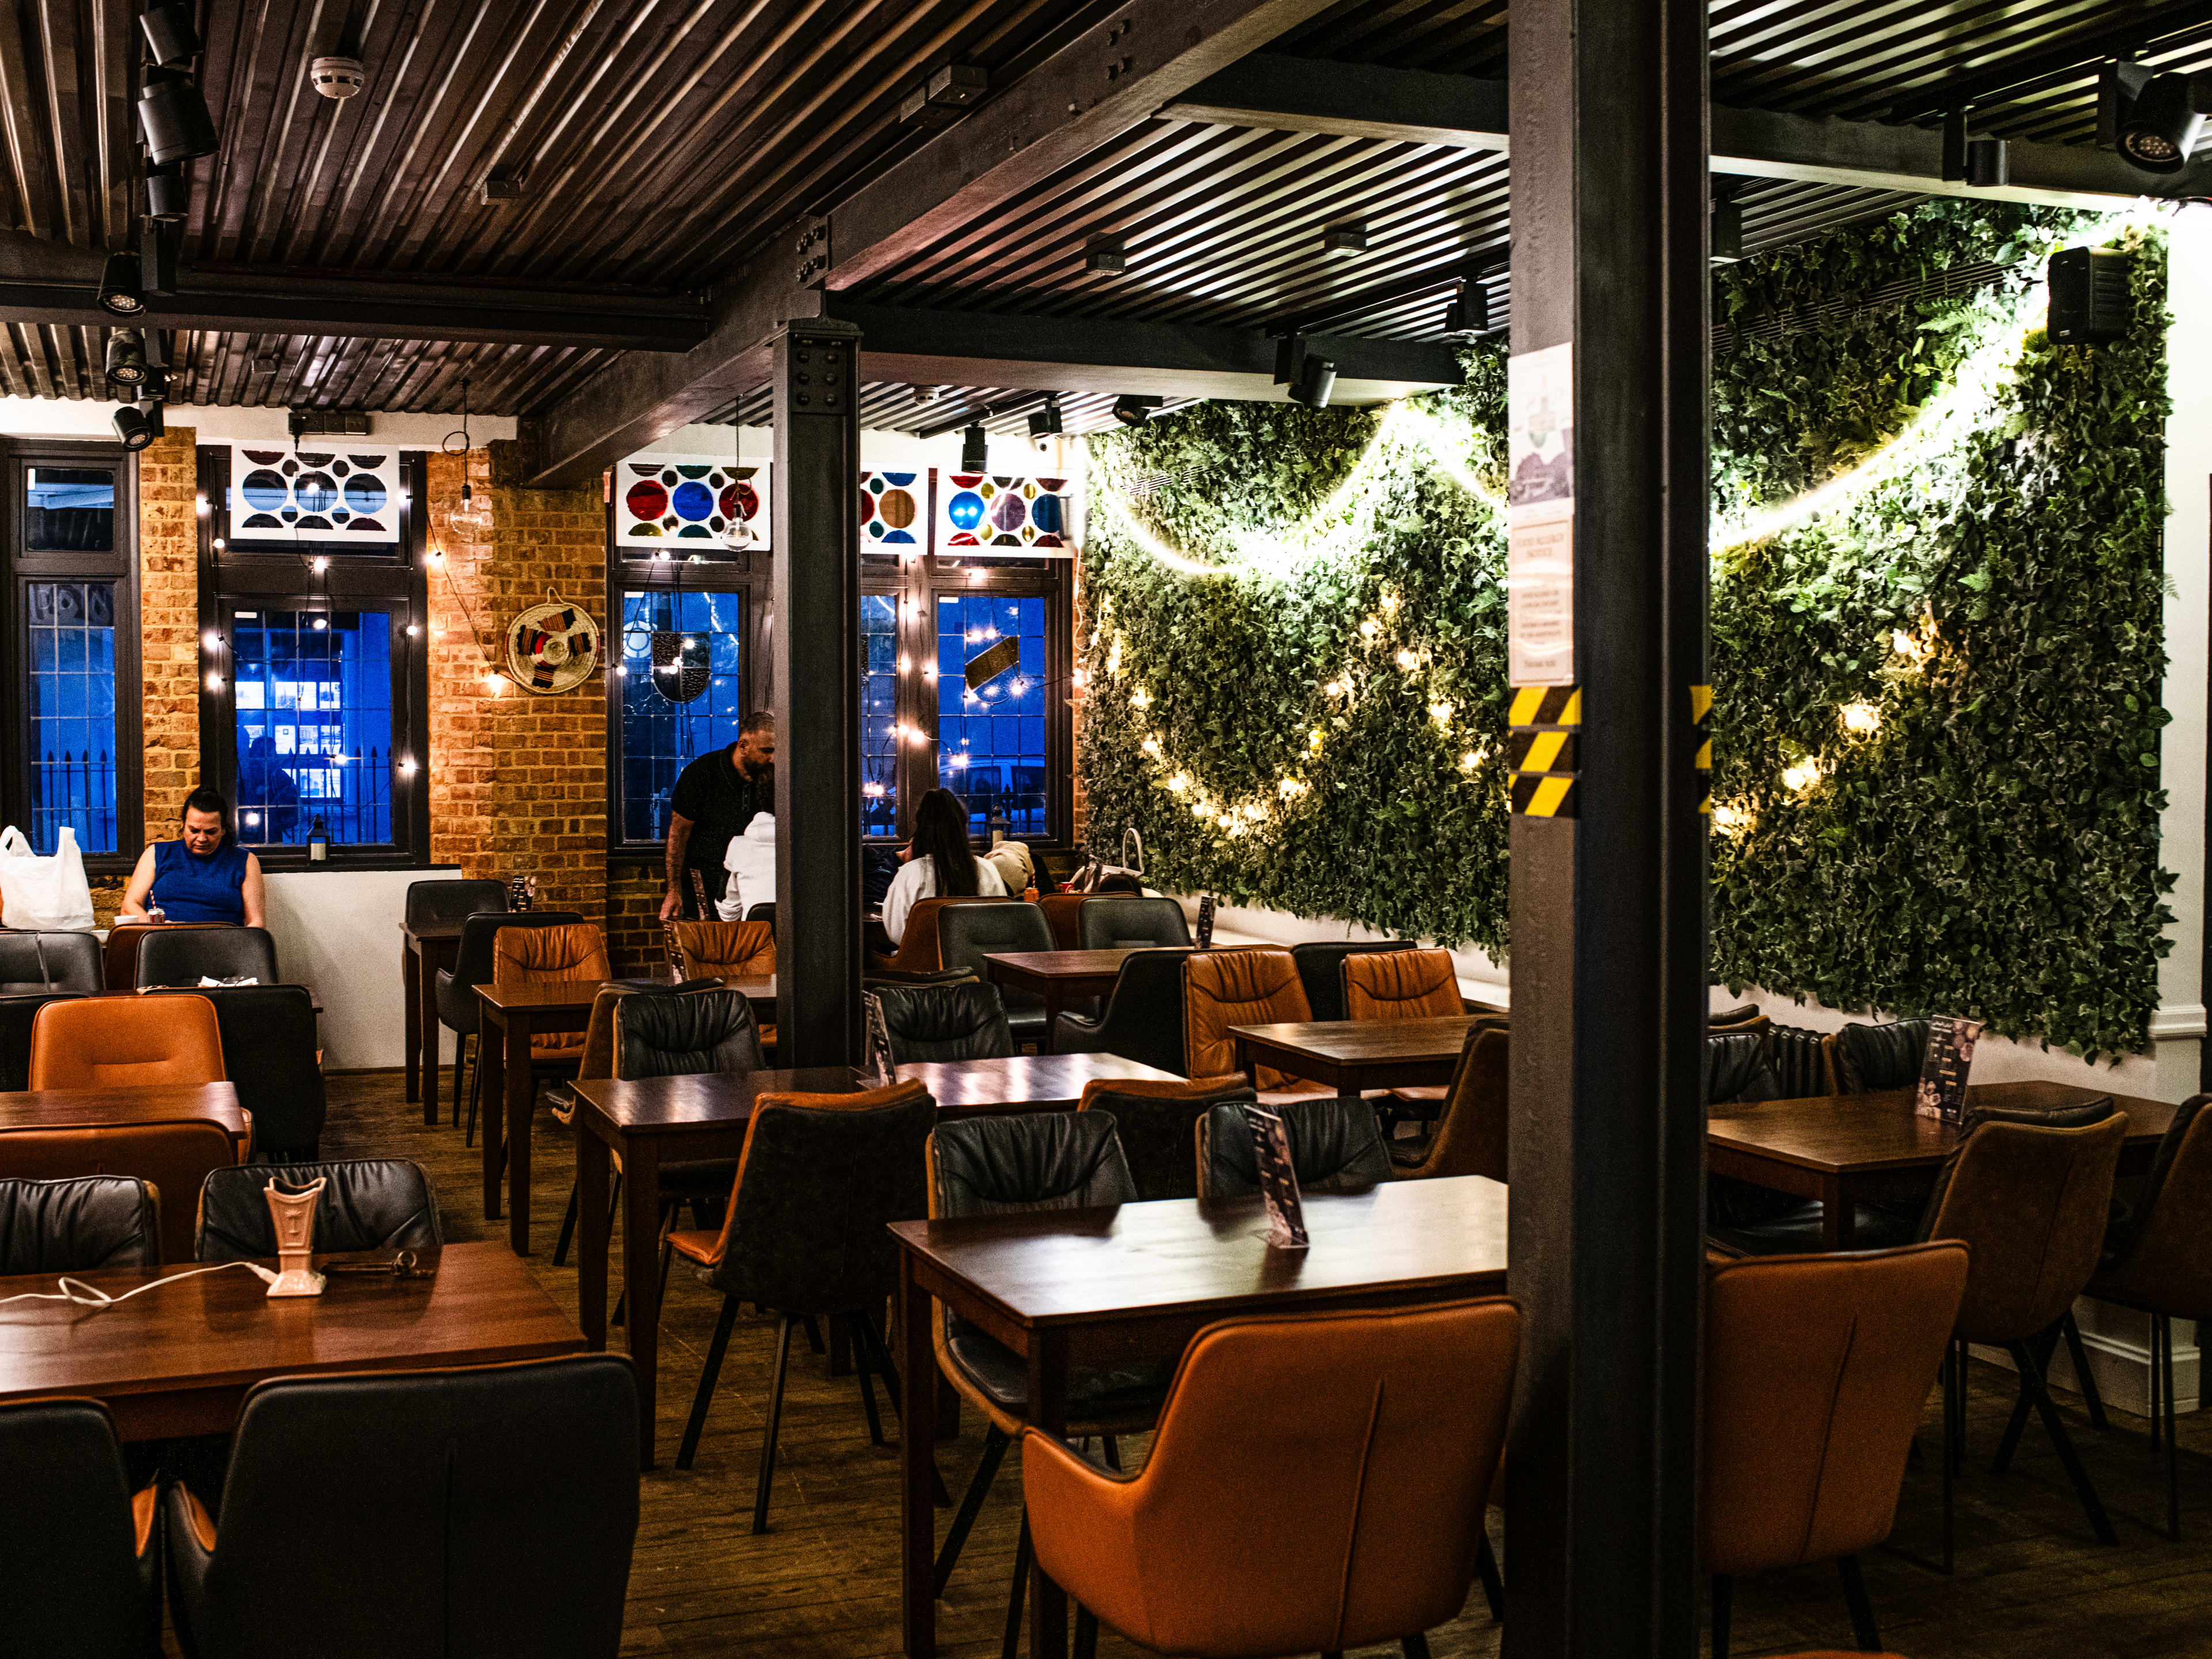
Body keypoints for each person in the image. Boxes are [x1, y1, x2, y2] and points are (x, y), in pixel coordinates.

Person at [661, 710, 775, 921]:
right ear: (743, 745)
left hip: (751, 883)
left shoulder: (772, 776)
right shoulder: (702, 773)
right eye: (766, 750)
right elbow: (678, 834)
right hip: (703, 882)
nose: (773, 758)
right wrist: (674, 890)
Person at [120, 787, 267, 927]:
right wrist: (159, 926)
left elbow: (257, 923)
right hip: (163, 940)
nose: (202, 838)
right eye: (194, 830)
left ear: (223, 830)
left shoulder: (245, 860)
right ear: (183, 825)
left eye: (211, 832)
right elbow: (129, 906)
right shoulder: (157, 853)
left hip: (222, 944)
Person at [881, 787, 1005, 946]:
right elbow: (1000, 926)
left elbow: (896, 933)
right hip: (978, 966)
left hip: (923, 967)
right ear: (962, 826)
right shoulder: (987, 870)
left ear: (921, 828)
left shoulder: (910, 873)